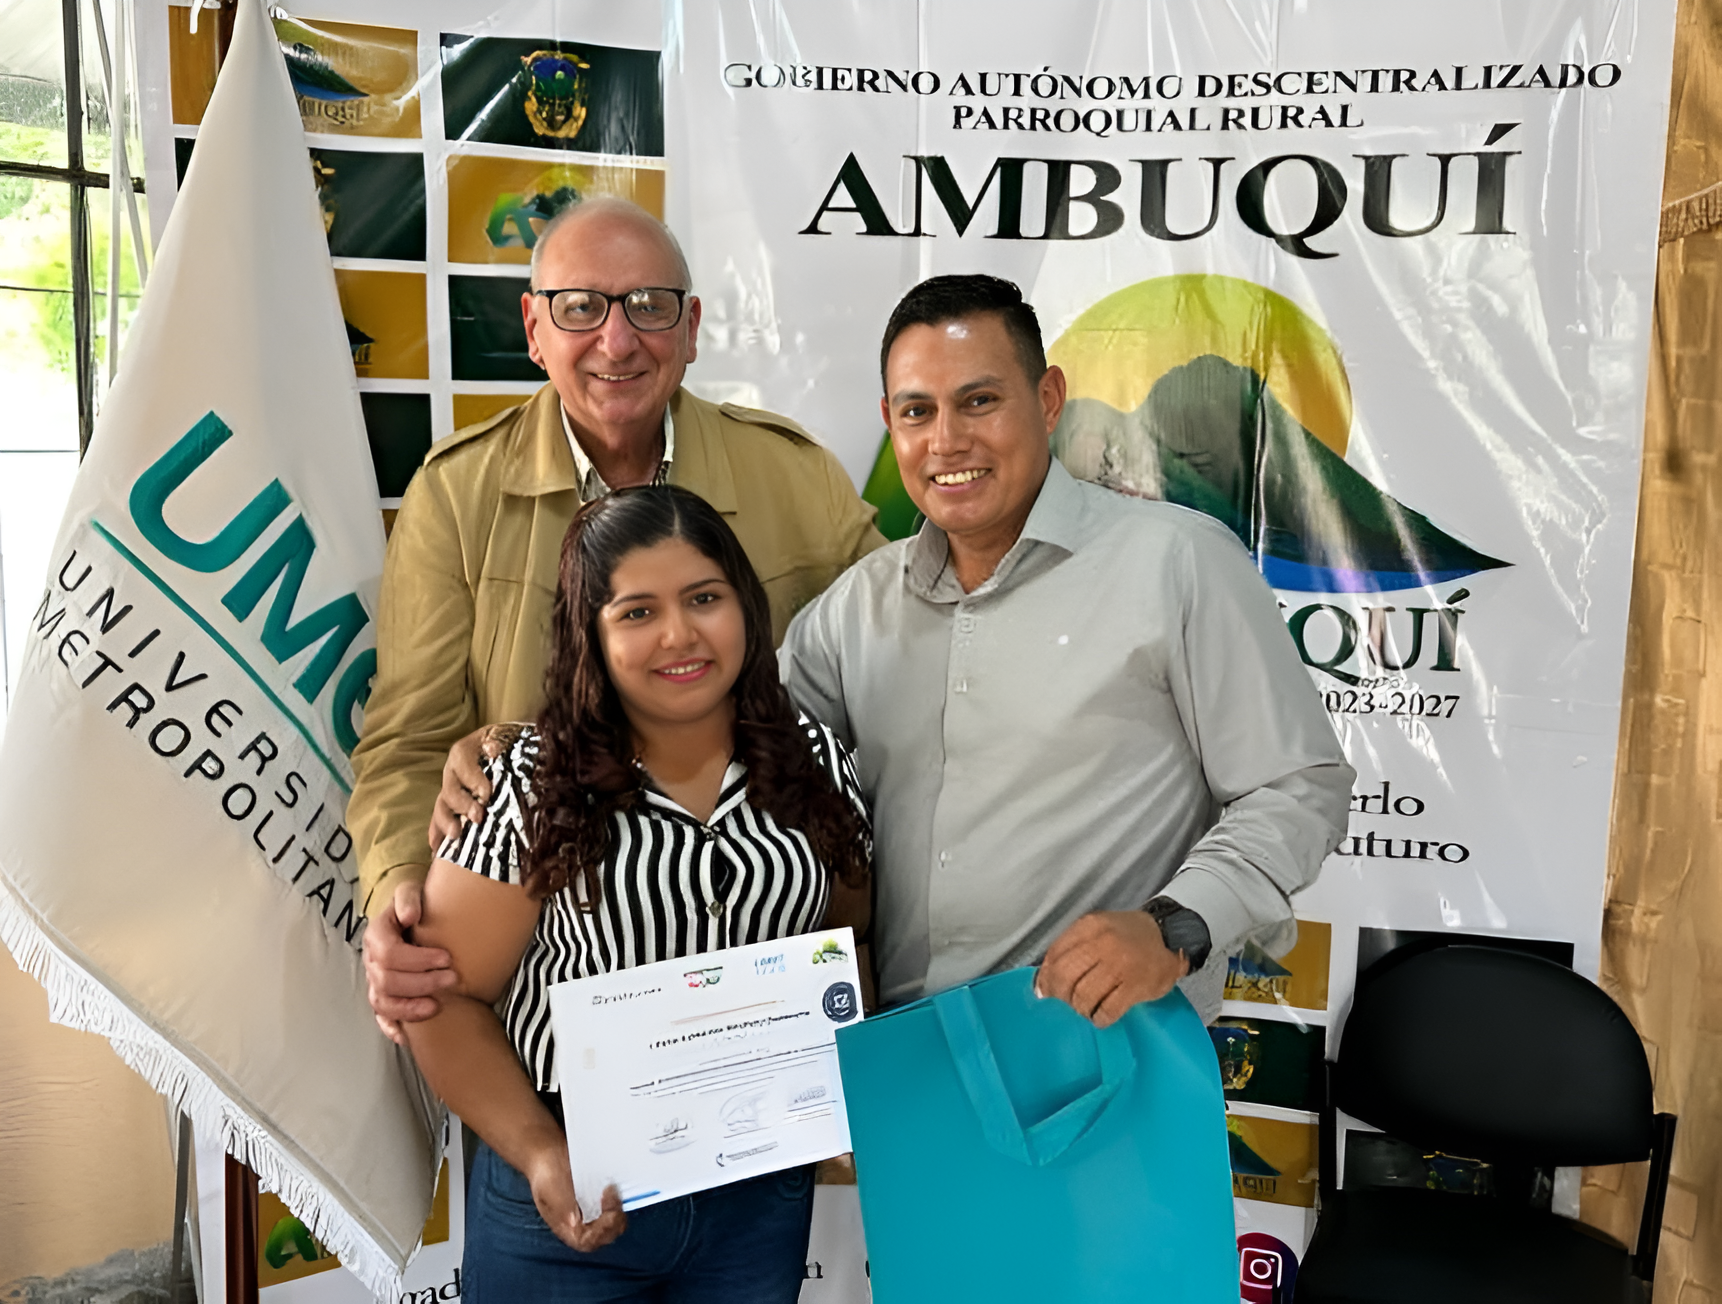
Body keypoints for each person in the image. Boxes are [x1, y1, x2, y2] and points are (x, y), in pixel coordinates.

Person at [351, 197, 884, 1035]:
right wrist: (399, 892)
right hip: (555, 1004)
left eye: (648, 305)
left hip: (756, 987)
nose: (617, 338)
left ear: (693, 324)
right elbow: (409, 740)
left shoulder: (796, 476)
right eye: (580, 308)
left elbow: (893, 680)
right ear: (533, 328)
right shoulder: (457, 494)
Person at [778, 274, 1352, 1024]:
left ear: (1048, 399)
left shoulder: (1174, 564)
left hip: (1110, 1054)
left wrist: (1172, 925)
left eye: (979, 401)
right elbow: (751, 764)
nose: (947, 440)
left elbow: (1298, 787)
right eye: (918, 411)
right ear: (891, 421)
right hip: (907, 1057)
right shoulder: (856, 610)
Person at [404, 484, 871, 1301]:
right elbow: (441, 998)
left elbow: (849, 945)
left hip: (757, 1199)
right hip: (570, 1198)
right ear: (590, 633)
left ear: (745, 609)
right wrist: (540, 1150)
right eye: (636, 612)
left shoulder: (814, 761)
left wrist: (833, 1089)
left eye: (703, 598)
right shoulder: (529, 782)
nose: (679, 635)